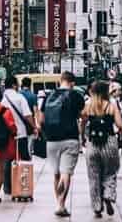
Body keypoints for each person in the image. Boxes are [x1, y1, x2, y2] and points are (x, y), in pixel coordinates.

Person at [38, 70, 86, 218]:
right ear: (72, 83)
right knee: (66, 174)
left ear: (61, 80)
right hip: (70, 138)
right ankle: (61, 204)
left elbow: (41, 120)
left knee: (56, 173)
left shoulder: (49, 96)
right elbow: (84, 115)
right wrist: (82, 131)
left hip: (51, 139)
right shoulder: (76, 95)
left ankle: (58, 202)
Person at [80, 79, 122, 217]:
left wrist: (82, 137)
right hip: (110, 142)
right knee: (110, 172)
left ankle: (97, 206)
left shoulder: (88, 106)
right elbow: (119, 125)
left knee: (94, 175)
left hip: (93, 144)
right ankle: (108, 195)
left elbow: (82, 124)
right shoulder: (112, 106)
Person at [1, 74, 35, 162]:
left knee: (8, 160)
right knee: (24, 160)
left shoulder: (1, 99)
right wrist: (34, 127)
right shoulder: (19, 97)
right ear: (14, 85)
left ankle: (8, 176)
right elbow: (27, 115)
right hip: (21, 133)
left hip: (6, 135)